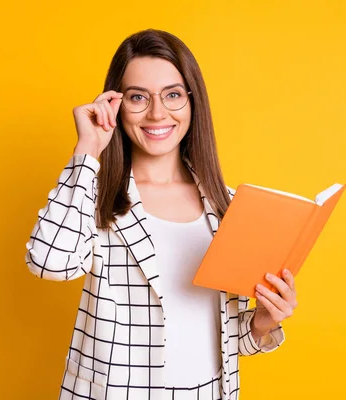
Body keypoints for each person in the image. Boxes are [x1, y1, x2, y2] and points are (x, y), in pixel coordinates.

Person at [24, 29, 298, 400]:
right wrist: (87, 148)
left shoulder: (226, 206)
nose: (157, 113)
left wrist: (263, 323)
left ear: (191, 102)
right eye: (138, 97)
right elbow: (49, 263)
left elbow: (224, 341)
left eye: (172, 95)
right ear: (115, 105)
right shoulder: (97, 195)